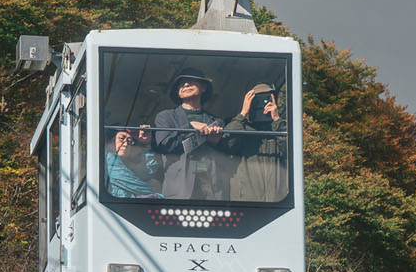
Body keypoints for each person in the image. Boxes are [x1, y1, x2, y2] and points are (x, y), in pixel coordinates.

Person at [151, 69, 227, 199]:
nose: (185, 85)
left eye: (191, 81)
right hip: (180, 189)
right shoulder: (166, 117)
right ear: (178, 92)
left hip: (211, 189)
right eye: (181, 84)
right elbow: (165, 146)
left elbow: (227, 155)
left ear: (203, 88)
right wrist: (191, 127)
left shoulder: (216, 121)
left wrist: (216, 142)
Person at [222, 82, 288, 203]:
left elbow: (291, 153)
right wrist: (243, 114)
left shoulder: (279, 129)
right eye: (256, 100)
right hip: (247, 203)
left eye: (267, 99)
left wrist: (277, 119)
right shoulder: (241, 128)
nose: (262, 104)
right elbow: (226, 144)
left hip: (278, 202)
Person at [104, 125, 163, 199]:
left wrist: (145, 143)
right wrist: (157, 197)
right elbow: (133, 184)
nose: (126, 144)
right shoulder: (109, 158)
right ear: (110, 141)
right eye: (121, 138)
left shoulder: (126, 163)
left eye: (129, 141)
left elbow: (148, 172)